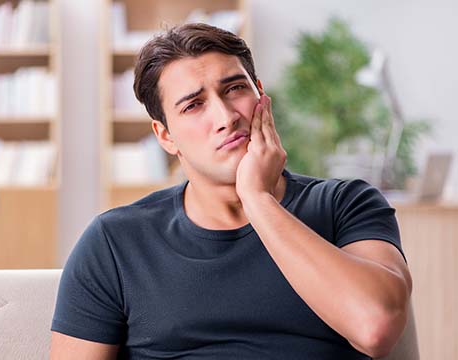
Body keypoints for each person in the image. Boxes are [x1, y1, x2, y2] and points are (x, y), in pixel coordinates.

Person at [50, 23, 412, 360]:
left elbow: (376, 326)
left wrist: (258, 200)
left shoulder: (345, 205)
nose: (226, 116)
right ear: (165, 136)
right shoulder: (115, 242)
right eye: (194, 105)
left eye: (235, 89)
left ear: (261, 96)